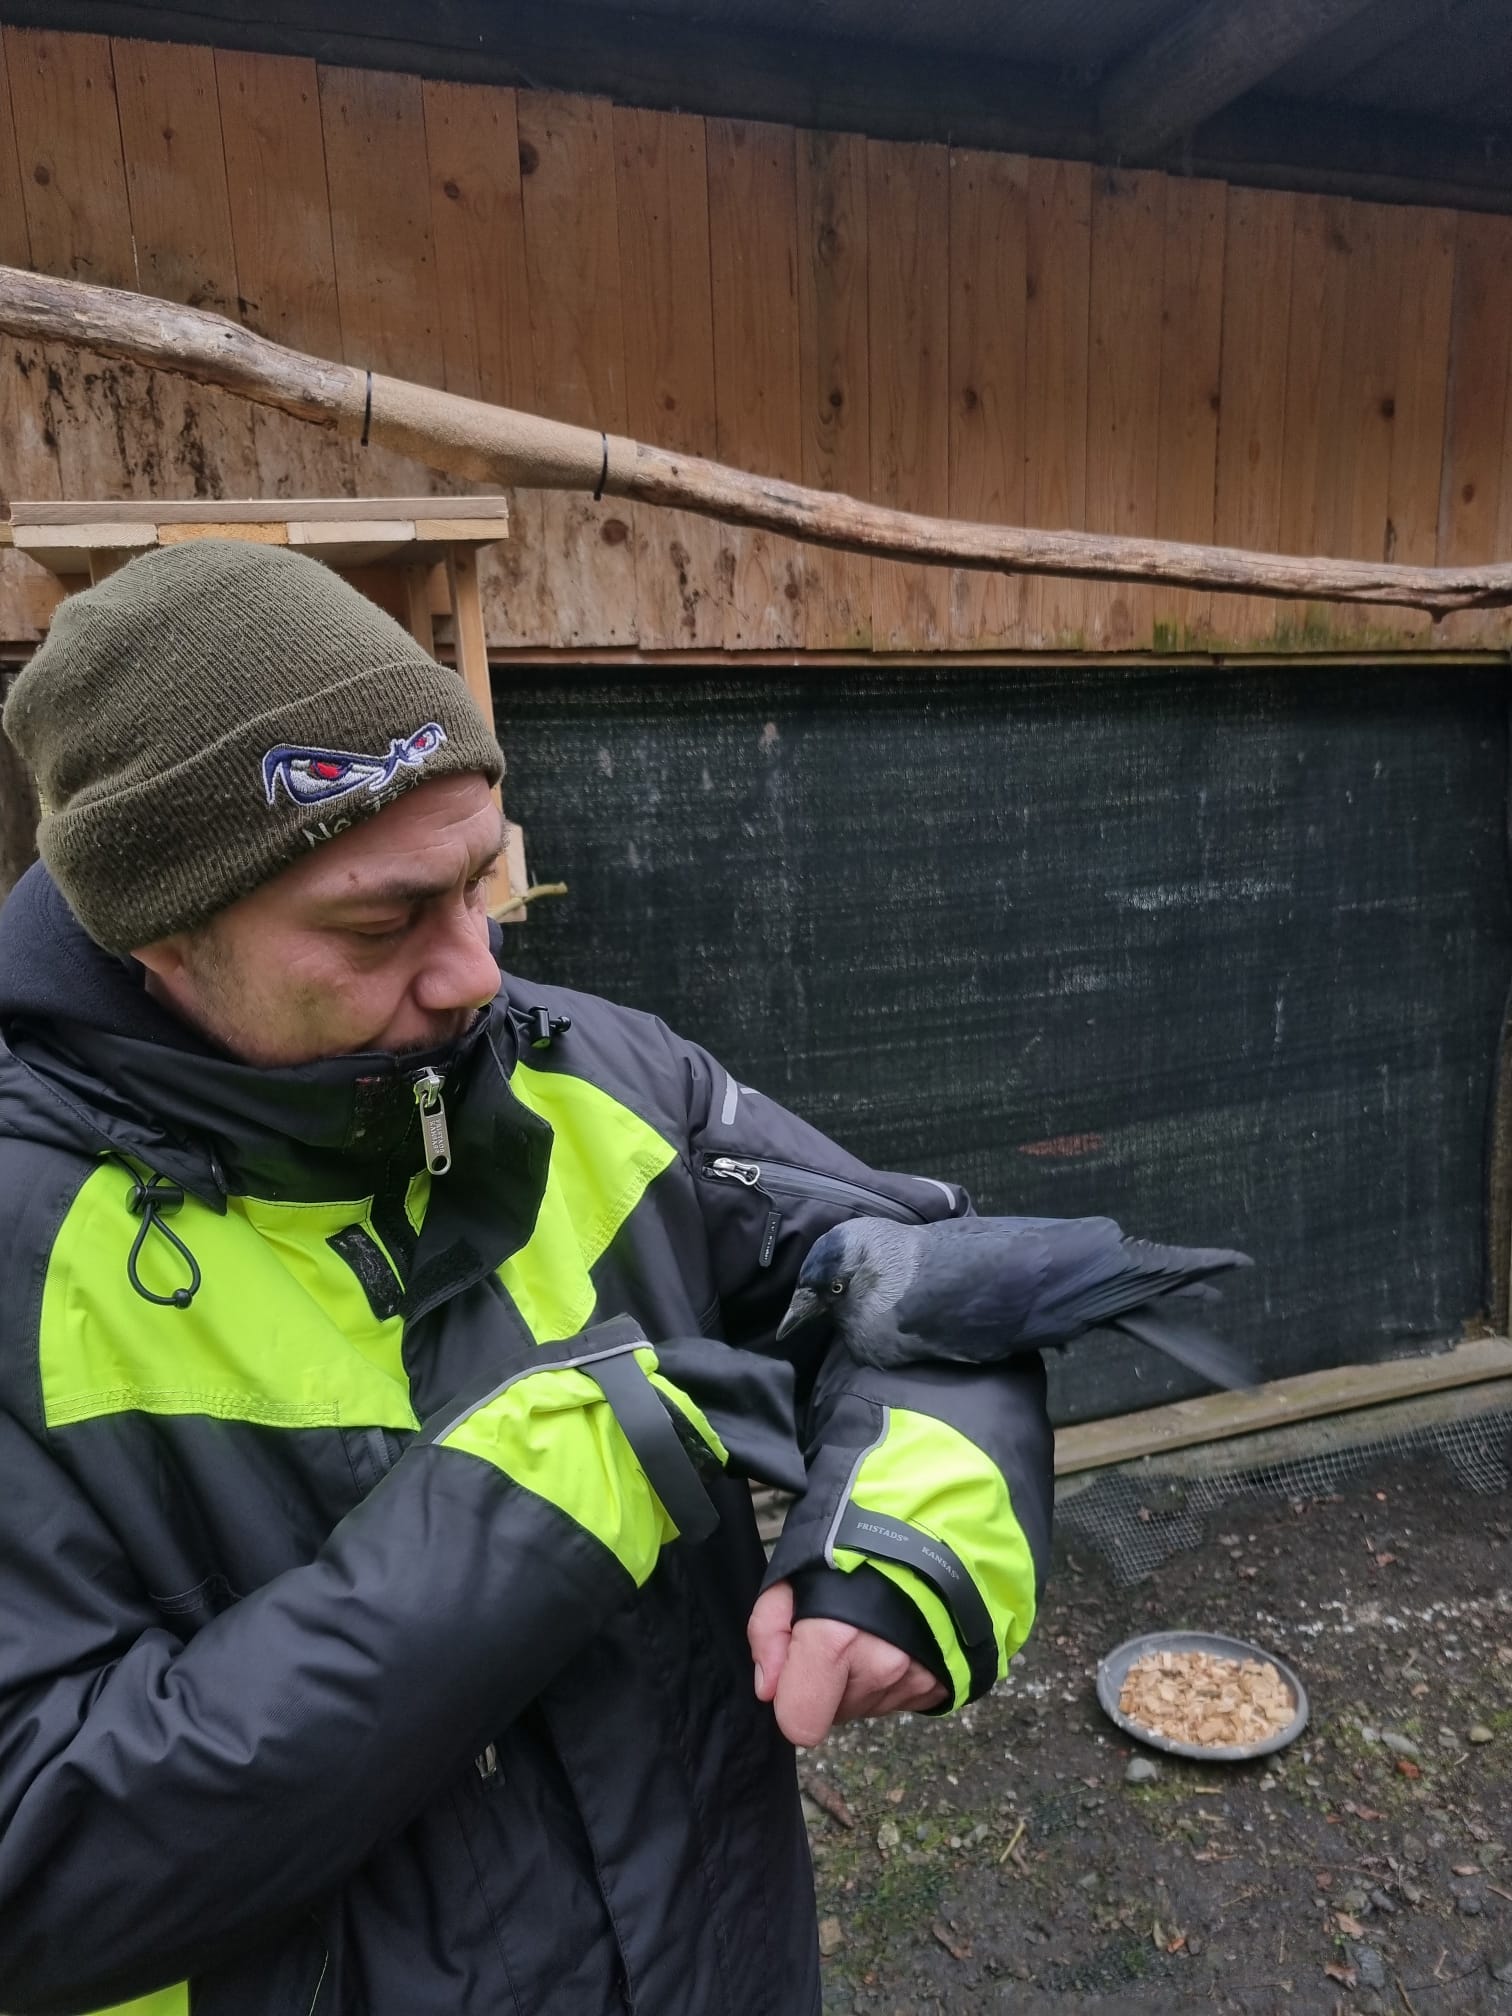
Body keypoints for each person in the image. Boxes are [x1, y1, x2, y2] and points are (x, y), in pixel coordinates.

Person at [0, 540, 1054, 2016]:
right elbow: (38, 1871)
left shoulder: (597, 1069)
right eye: (382, 923)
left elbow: (921, 1276)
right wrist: (547, 1499)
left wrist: (913, 1544)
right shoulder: (25, 1247)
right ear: (157, 931)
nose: (477, 972)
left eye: (479, 880)